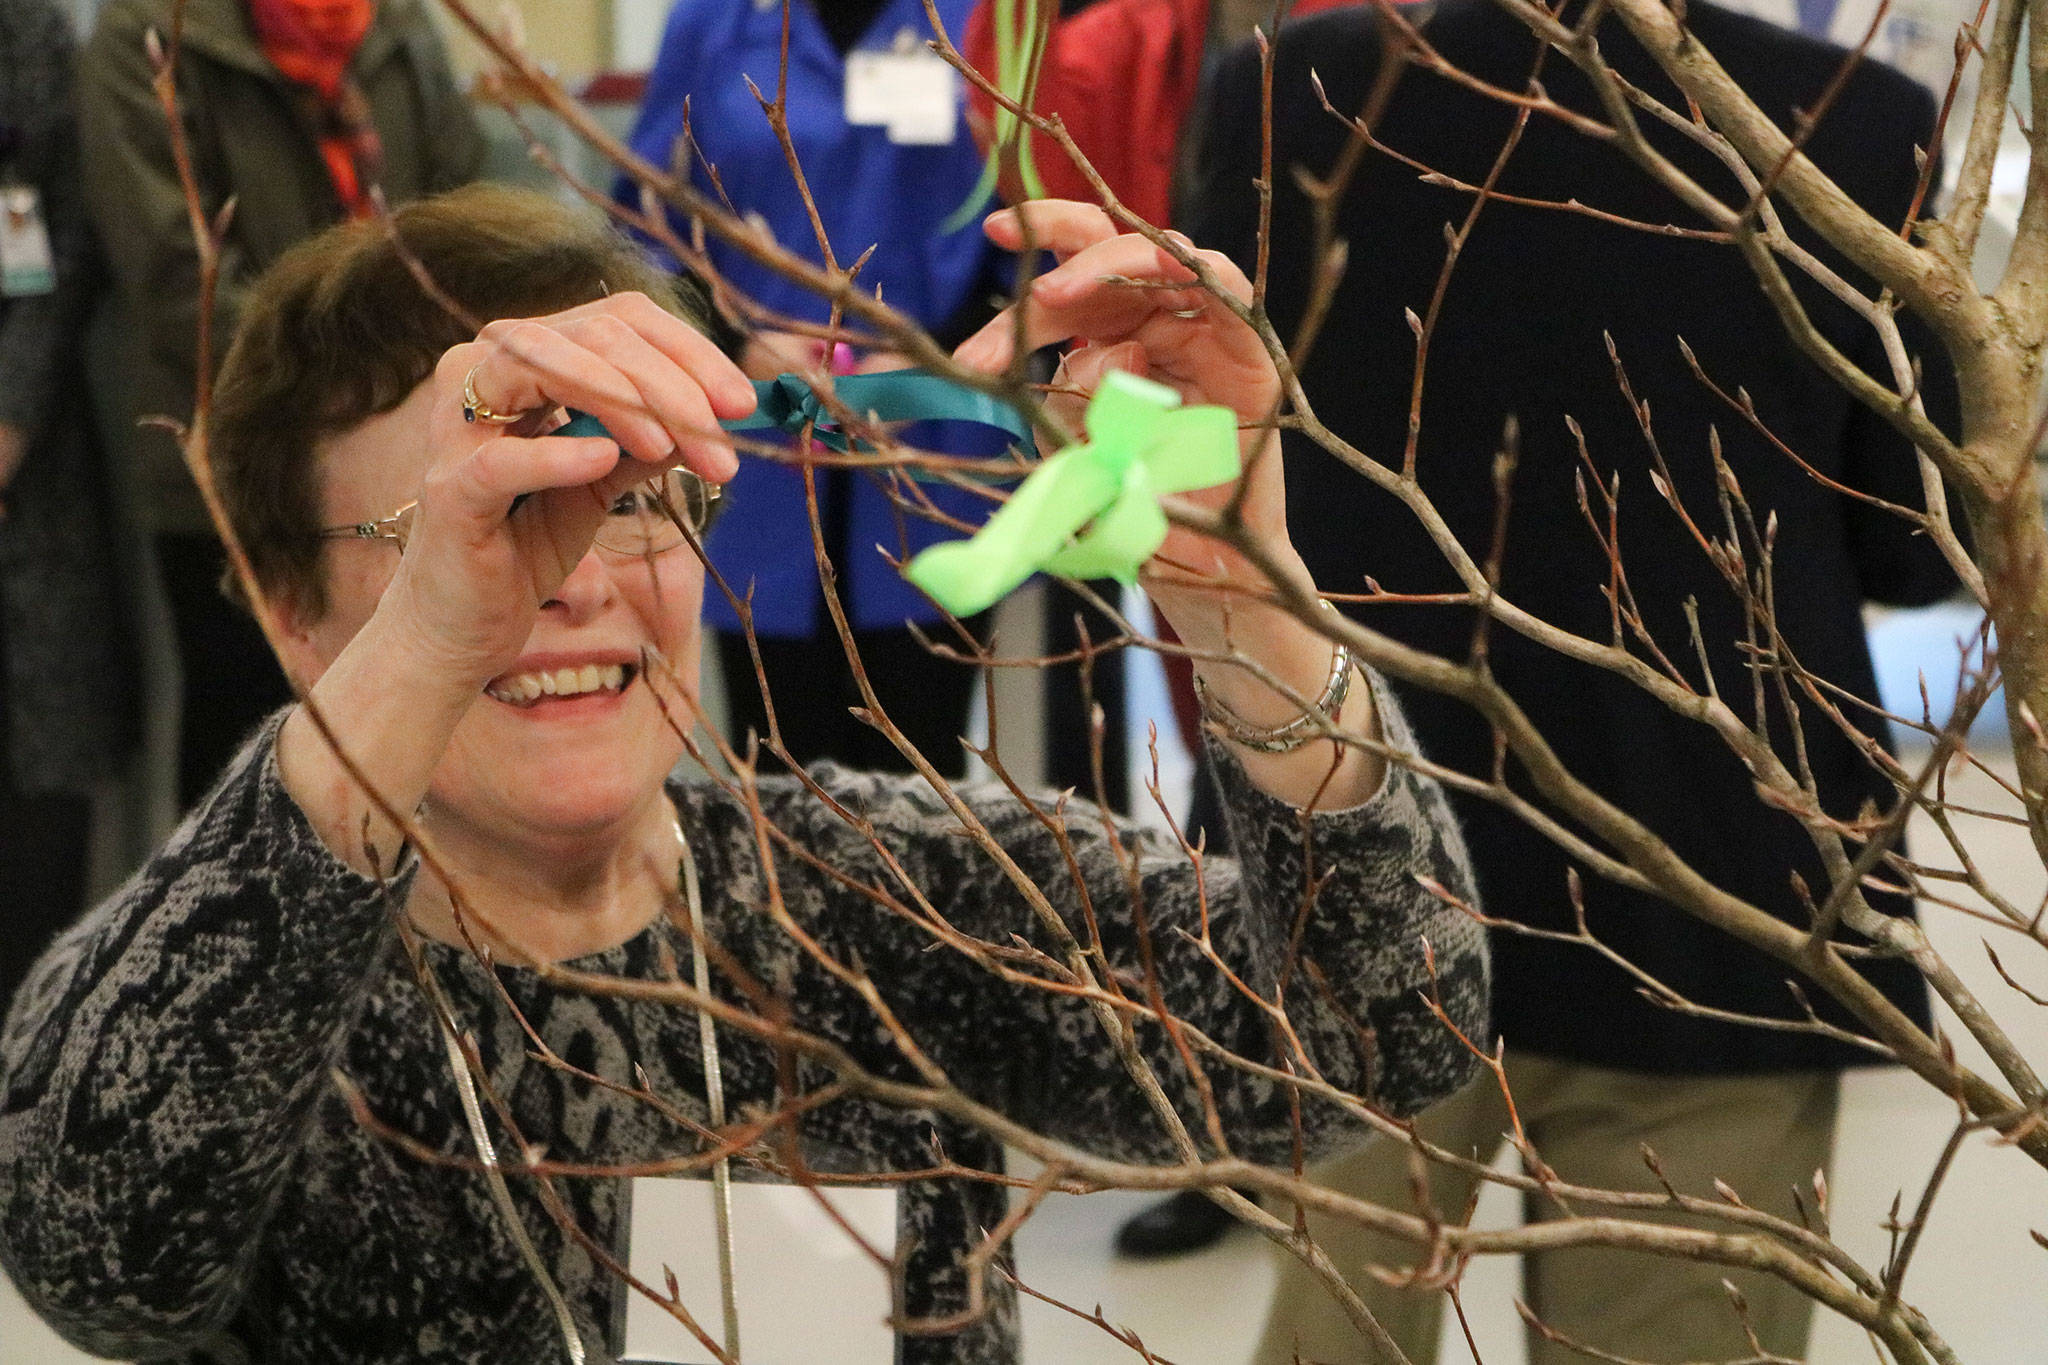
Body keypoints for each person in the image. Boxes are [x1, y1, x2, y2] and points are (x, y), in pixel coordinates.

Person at [0, 184, 1487, 1363]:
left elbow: (1372, 1029)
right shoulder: (244, 990)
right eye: (467, 533)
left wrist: (1238, 587)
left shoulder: (876, 894)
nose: (563, 585)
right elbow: (94, 1252)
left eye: (624, 501)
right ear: (290, 612)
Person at [1174, 1, 1961, 1359]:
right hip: (1713, 875)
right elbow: (1911, 539)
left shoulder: (1279, 90)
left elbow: (1217, 468)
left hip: (1358, 839)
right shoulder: (1846, 126)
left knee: (1336, 1324)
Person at [621, 0, 1046, 785]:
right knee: (779, 765)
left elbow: (1040, 235)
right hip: (757, 433)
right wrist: (731, 334)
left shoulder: (987, 22)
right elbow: (643, 226)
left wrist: (934, 353)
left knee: (924, 772)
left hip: (936, 443)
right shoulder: (711, 26)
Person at [77, 0, 485, 808]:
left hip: (414, 455)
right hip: (236, 461)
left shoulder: (397, 24)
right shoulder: (146, 36)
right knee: (251, 738)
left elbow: (467, 223)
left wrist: (420, 404)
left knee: (422, 724)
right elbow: (176, 280)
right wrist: (365, 399)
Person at [0, 0, 140, 1012]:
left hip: (27, 466)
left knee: (41, 774)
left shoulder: (26, 33)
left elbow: (57, 242)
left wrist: (6, 426)